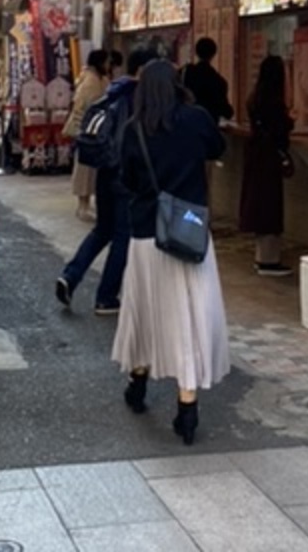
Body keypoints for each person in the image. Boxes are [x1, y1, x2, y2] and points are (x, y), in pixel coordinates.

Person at [112, 58, 230, 446]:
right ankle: (187, 406)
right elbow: (218, 147)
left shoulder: (133, 129)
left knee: (144, 309)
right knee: (189, 316)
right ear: (178, 84)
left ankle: (138, 382)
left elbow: (127, 179)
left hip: (147, 232)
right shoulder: (196, 119)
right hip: (189, 233)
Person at [55, 47, 156, 315]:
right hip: (126, 176)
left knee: (102, 230)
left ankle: (70, 276)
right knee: (122, 236)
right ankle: (106, 297)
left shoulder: (113, 91)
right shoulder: (139, 98)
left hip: (106, 171)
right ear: (143, 70)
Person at [239, 53, 294, 276]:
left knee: (259, 205)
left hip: (256, 156)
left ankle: (261, 256)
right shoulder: (274, 103)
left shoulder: (255, 98)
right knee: (270, 208)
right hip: (269, 159)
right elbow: (281, 130)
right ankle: (268, 261)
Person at [62, 48, 110, 220]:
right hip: (87, 129)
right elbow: (86, 107)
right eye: (107, 62)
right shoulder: (91, 81)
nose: (108, 65)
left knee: (90, 170)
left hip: (93, 128)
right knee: (84, 169)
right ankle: (83, 206)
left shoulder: (97, 79)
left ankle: (85, 204)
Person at [181, 36, 234, 123]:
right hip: (207, 125)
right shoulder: (218, 81)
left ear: (196, 52)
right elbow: (226, 111)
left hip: (185, 123)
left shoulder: (185, 73)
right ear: (213, 54)